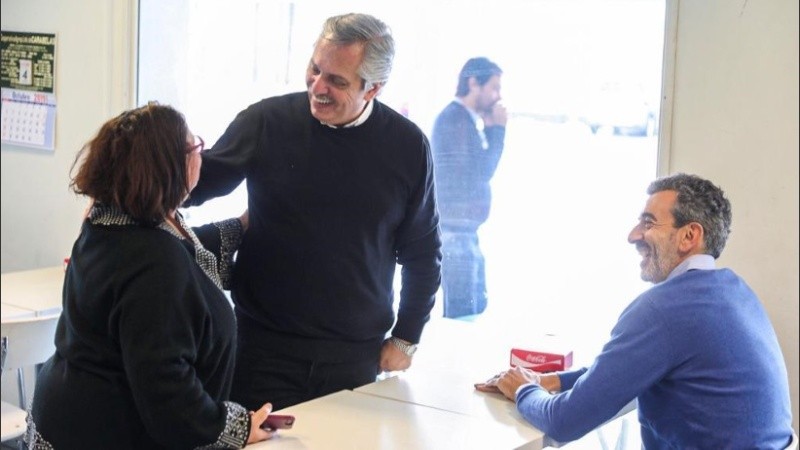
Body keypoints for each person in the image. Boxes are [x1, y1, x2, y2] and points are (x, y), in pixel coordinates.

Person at [183, 13, 442, 412]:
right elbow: (195, 183)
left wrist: (407, 336)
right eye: (314, 69)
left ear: (373, 88)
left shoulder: (408, 147)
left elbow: (422, 253)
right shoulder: (267, 121)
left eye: (337, 81)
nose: (318, 87)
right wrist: (122, 192)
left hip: (355, 360)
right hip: (261, 351)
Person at [25, 103, 277, 449]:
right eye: (196, 146)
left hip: (68, 410)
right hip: (104, 432)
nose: (202, 154)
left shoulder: (111, 220)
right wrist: (234, 427)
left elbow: (187, 250)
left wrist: (243, 225)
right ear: (171, 166)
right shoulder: (154, 262)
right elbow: (167, 388)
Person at [482, 173, 794, 448]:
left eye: (648, 223)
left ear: (689, 236)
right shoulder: (734, 291)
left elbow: (564, 421)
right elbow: (629, 368)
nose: (633, 235)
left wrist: (522, 388)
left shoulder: (664, 308)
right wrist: (555, 381)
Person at [430, 57, 506, 318]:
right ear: (474, 83)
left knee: (472, 308)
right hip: (456, 233)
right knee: (463, 314)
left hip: (461, 231)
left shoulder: (462, 119)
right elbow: (481, 173)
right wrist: (497, 130)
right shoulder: (455, 119)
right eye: (494, 87)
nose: (498, 96)